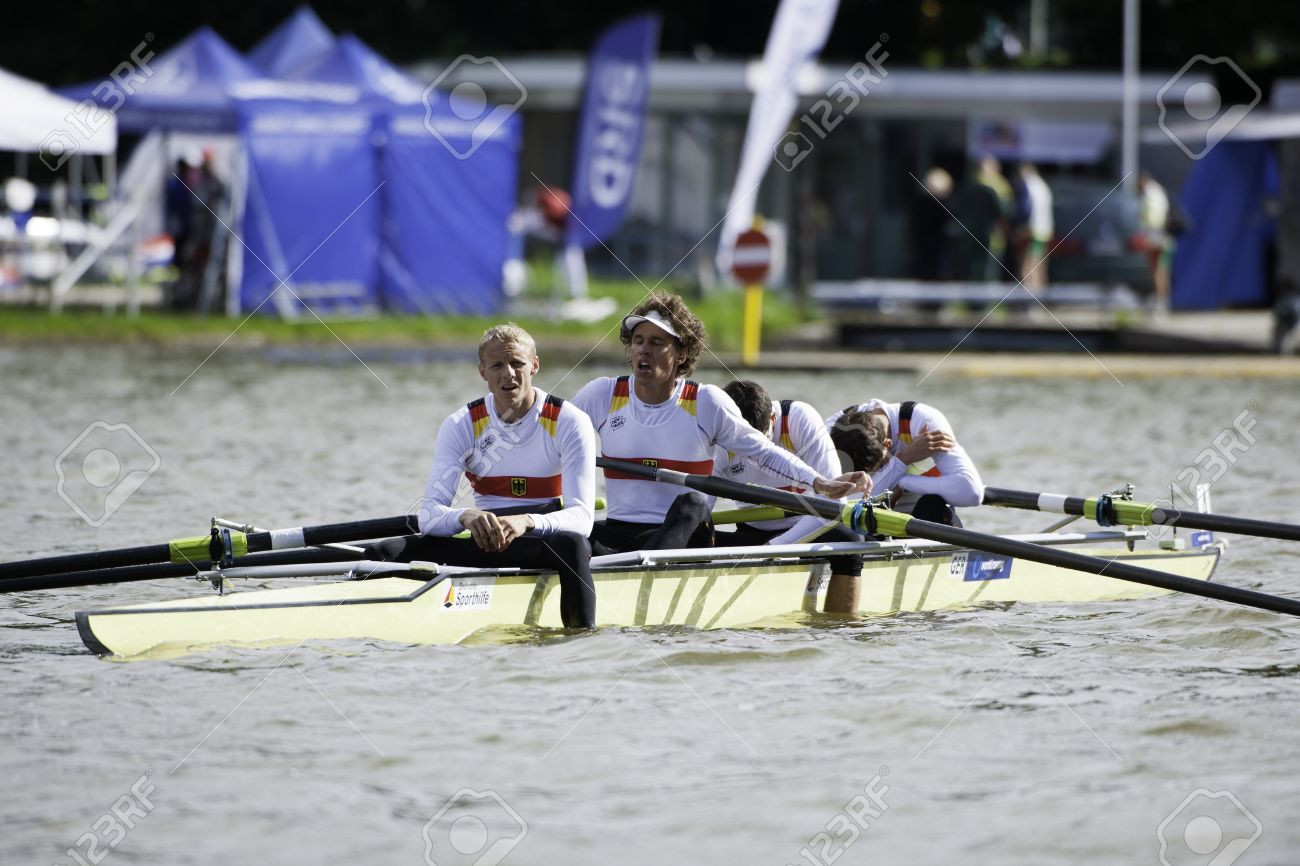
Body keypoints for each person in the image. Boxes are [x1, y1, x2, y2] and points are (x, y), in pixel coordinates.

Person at [572, 293, 870, 556]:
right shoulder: (601, 395)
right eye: (638, 341)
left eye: (656, 342)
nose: (643, 350)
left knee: (691, 503)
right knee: (568, 539)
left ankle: (643, 572)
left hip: (687, 534)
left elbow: (764, 453)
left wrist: (818, 483)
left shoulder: (706, 402)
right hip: (619, 531)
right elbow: (556, 436)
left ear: (681, 354)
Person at [365, 324, 598, 628]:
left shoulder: (568, 421)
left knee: (574, 545)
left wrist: (526, 521)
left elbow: (583, 518)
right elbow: (429, 515)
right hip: (486, 542)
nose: (509, 374)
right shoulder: (461, 425)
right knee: (381, 552)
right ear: (482, 372)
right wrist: (465, 517)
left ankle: (580, 637)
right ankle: (384, 632)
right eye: (497, 365)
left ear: (535, 366)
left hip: (541, 542)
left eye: (517, 363)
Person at [713, 381, 885, 613]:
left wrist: (775, 548)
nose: (753, 452)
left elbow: (833, 504)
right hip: (752, 532)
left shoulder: (799, 419)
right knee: (697, 537)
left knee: (851, 542)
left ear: (773, 419)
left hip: (808, 528)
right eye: (744, 445)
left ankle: (841, 627)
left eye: (759, 440)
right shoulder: (722, 431)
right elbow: (701, 506)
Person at [824, 399, 984, 527]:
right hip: (868, 519)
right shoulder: (832, 430)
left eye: (872, 470)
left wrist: (903, 482)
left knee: (932, 503)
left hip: (922, 516)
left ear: (888, 444)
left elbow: (971, 492)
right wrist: (903, 459)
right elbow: (830, 500)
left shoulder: (922, 422)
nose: (863, 477)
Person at [1017, 162, 1054, 292]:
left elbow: (1025, 209)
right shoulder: (1043, 185)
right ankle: (1040, 296)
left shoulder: (1028, 185)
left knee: (1028, 266)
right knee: (1040, 265)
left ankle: (1029, 296)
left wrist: (1021, 227)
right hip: (1044, 231)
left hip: (1032, 230)